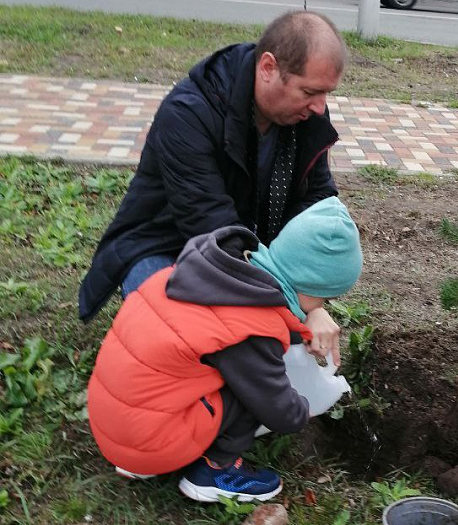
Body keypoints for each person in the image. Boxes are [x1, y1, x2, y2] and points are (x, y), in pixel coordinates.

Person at [78, 10, 347, 362]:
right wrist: (293, 304)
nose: (319, 107)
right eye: (310, 92)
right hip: (166, 247)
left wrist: (314, 302)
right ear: (267, 68)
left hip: (247, 249)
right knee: (196, 343)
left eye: (326, 93)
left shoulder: (304, 113)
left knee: (273, 339)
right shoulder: (189, 113)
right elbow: (211, 229)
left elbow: (317, 209)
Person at [86, 197, 362, 503]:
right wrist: (301, 410)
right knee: (251, 391)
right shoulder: (252, 326)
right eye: (325, 299)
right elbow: (276, 408)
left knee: (224, 372)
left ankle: (143, 460)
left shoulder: (209, 272)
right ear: (312, 287)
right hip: (146, 439)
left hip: (116, 422)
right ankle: (216, 472)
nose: (323, 307)